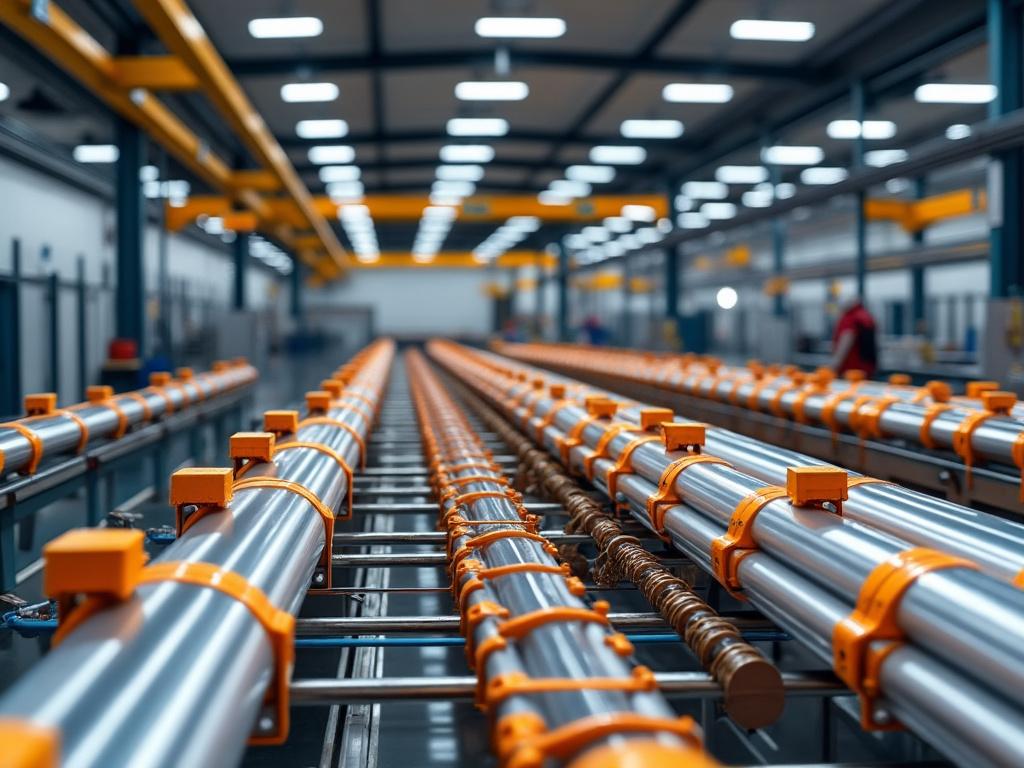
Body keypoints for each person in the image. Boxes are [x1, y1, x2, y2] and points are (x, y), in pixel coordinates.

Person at [831, 297, 878, 377]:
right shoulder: (866, 316)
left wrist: (834, 365)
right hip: (867, 367)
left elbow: (846, 340)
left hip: (851, 368)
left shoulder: (850, 317)